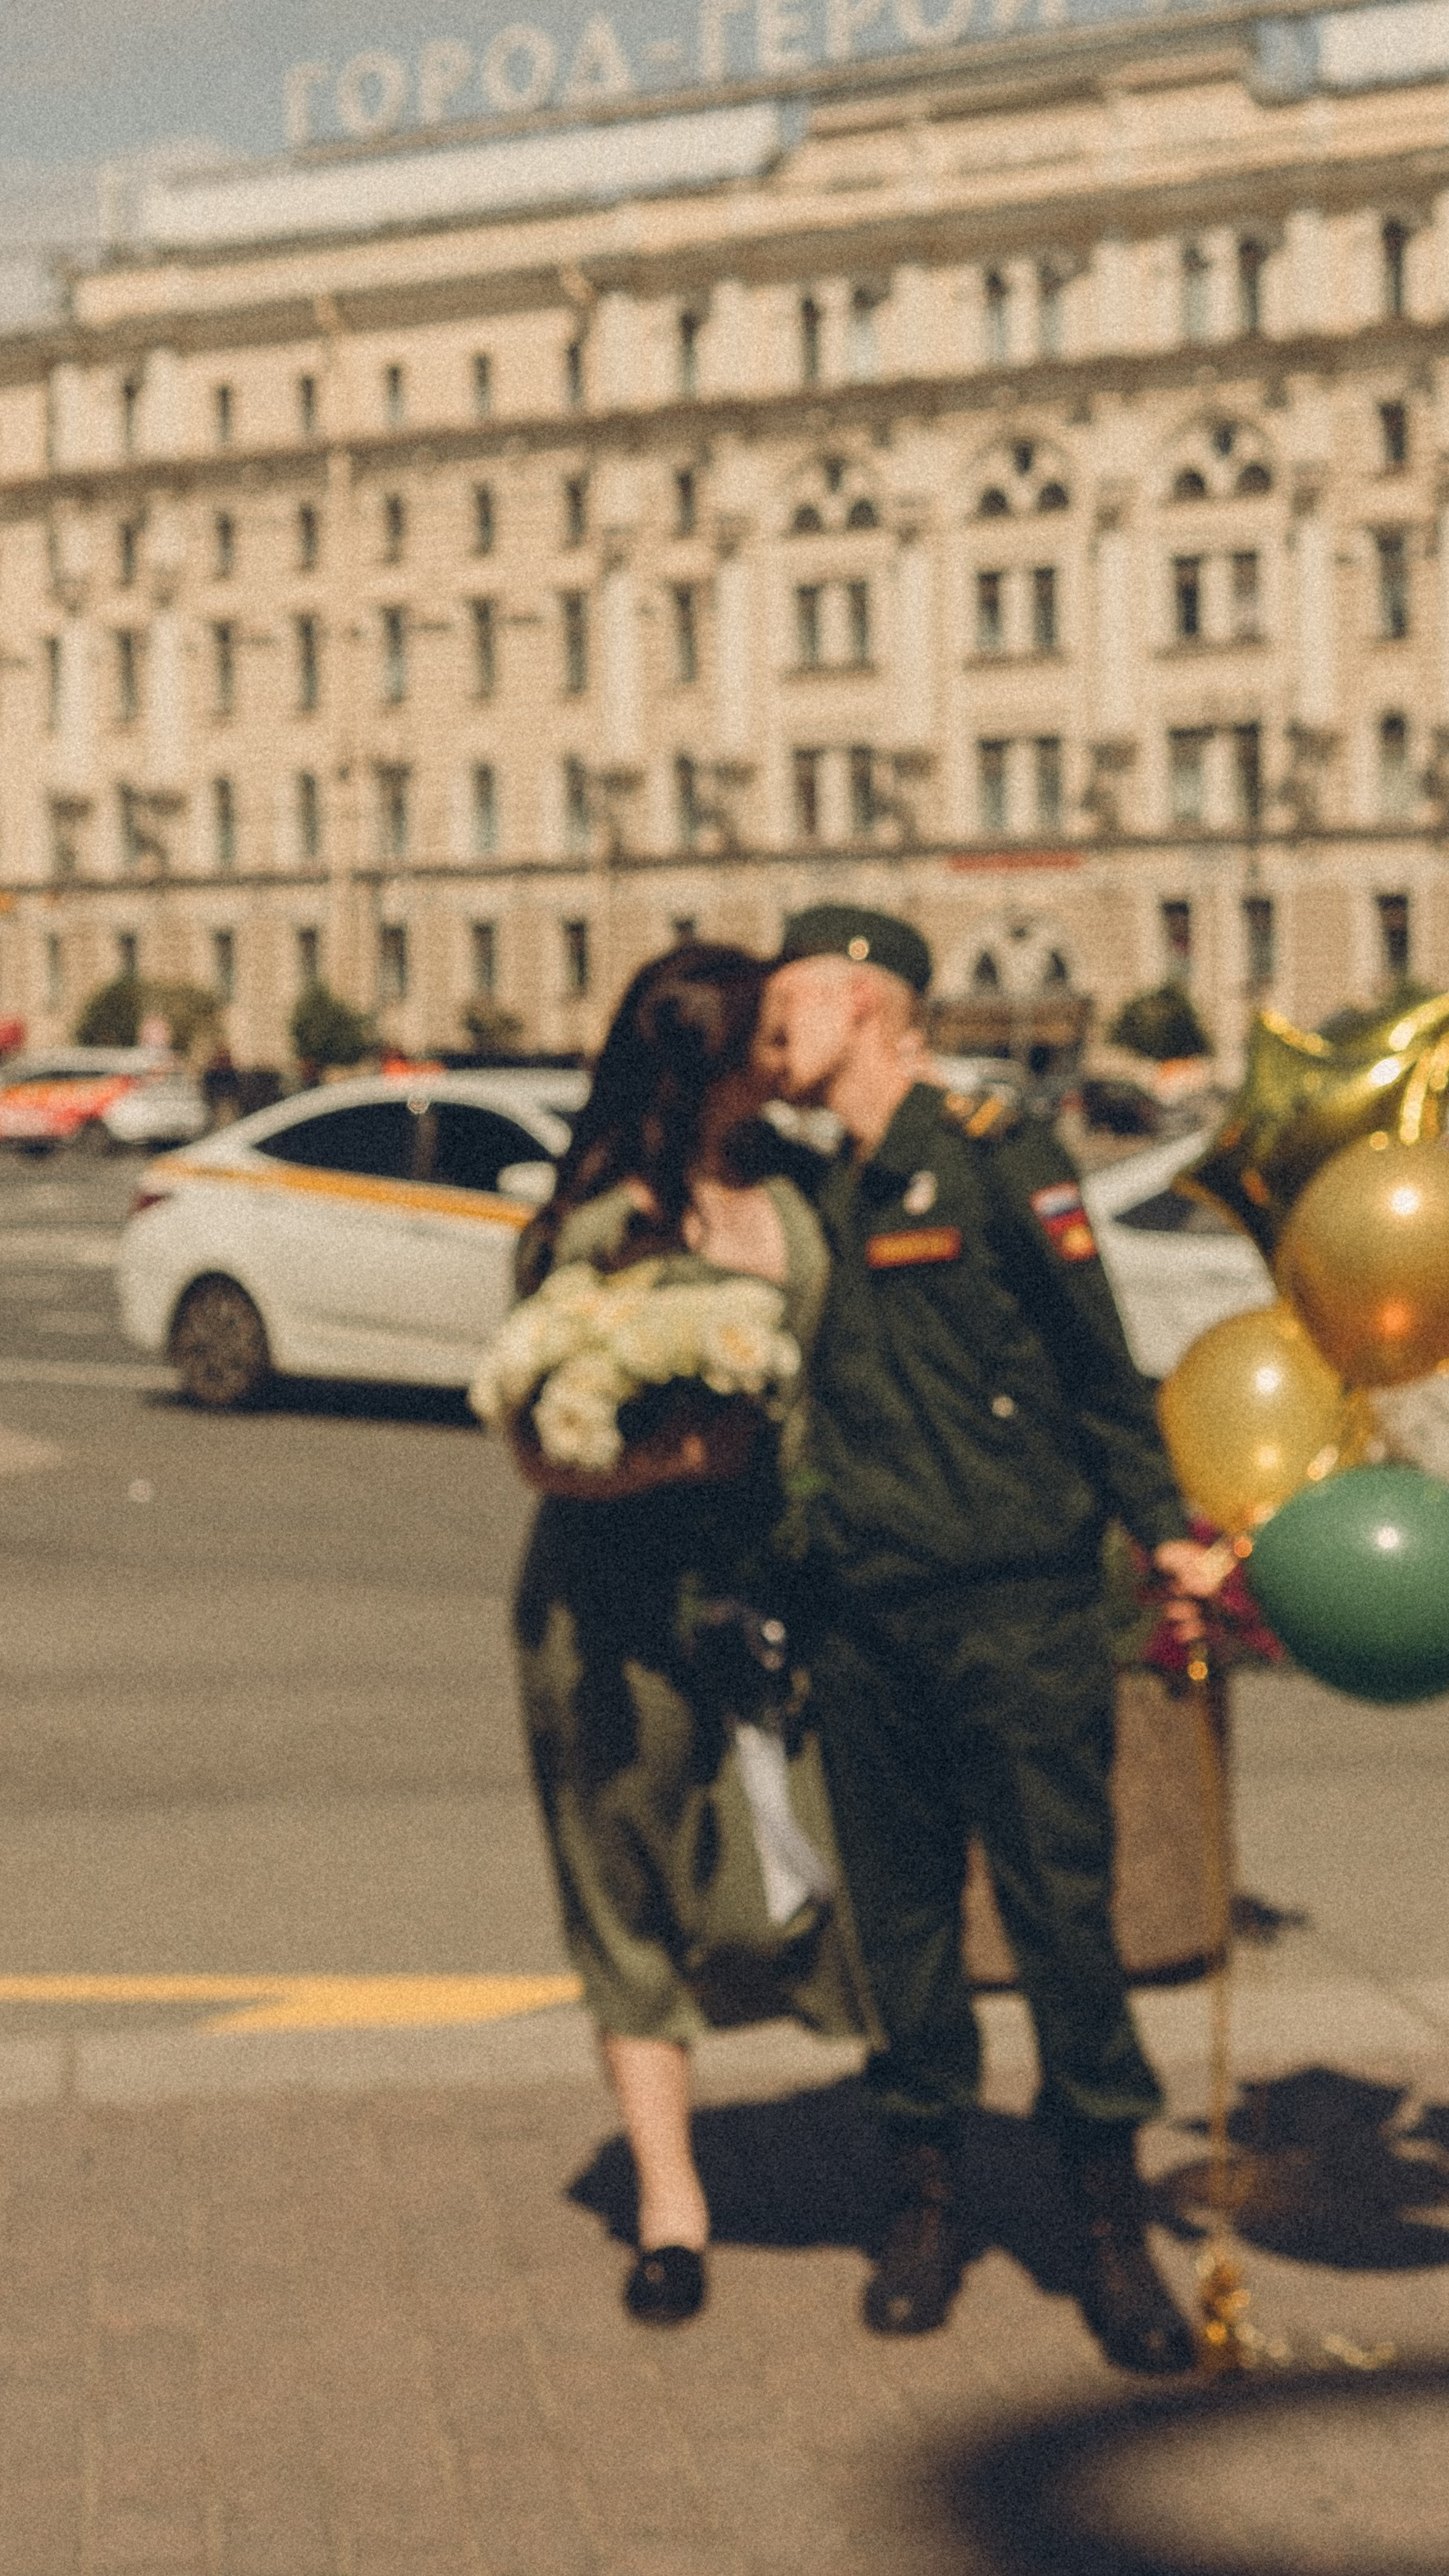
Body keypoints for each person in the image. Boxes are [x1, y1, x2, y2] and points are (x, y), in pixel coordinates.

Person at [757, 905, 1224, 2376]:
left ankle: (1107, 2225)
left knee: (1062, 1921)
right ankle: (924, 2205)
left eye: (792, 1012)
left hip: (1014, 1608)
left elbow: (1098, 1365)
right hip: (861, 1616)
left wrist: (1164, 1532)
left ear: (866, 1004)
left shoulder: (993, 1150)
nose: (777, 1041)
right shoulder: (801, 1188)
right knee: (898, 1931)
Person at [506, 943, 873, 2328]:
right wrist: (667, 1463)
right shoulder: (594, 1220)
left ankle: (896, 2141)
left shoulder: (795, 1188)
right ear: (705, 1063)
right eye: (764, 1038)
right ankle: (672, 2204)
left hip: (782, 1583)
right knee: (627, 1887)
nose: (783, 1059)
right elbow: (533, 1440)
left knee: (815, 1863)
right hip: (611, 1603)